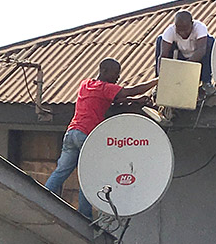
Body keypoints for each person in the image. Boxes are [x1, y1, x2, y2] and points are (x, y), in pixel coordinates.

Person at [45, 58, 158, 219]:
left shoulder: (85, 84)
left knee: (61, 171)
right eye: (115, 74)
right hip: (87, 136)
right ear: (104, 71)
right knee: (89, 176)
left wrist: (134, 101)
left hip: (71, 133)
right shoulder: (105, 88)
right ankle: (84, 215)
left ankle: (43, 197)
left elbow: (114, 100)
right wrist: (157, 81)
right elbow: (129, 91)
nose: (118, 77)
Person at [155, 9, 216, 94]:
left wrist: (184, 68)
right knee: (160, 40)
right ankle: (158, 85)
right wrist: (161, 78)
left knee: (210, 41)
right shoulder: (170, 31)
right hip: (180, 56)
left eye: (185, 29)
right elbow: (163, 56)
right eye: (179, 29)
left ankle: (206, 83)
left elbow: (201, 51)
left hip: (198, 59)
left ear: (192, 24)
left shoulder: (200, 27)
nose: (182, 33)